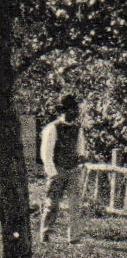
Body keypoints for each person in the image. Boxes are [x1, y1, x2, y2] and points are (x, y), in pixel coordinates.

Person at [38, 94, 85, 243]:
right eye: (71, 109)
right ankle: (45, 233)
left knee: (75, 205)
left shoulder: (77, 129)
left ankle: (74, 237)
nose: (74, 112)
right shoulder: (52, 128)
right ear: (64, 111)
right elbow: (46, 153)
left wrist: (81, 158)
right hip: (57, 170)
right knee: (52, 204)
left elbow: (80, 148)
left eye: (75, 109)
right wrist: (52, 172)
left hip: (73, 170)